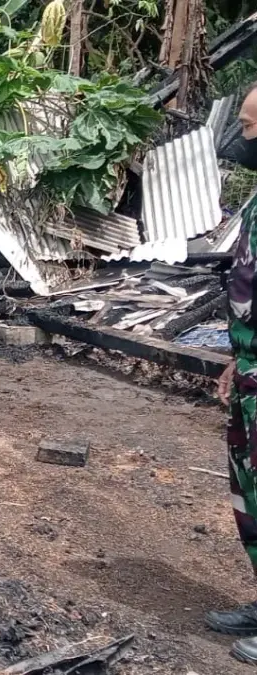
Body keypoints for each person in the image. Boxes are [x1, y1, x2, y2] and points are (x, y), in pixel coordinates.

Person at [208, 82, 257, 666]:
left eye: (248, 127)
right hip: (249, 370)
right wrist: (237, 354)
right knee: (249, 496)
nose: (243, 138)